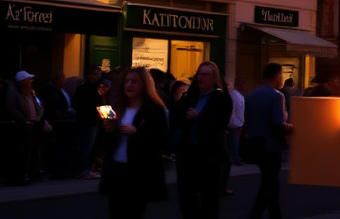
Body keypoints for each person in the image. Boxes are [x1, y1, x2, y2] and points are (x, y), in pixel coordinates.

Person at [98, 67, 169, 219]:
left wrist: (137, 132)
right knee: (116, 212)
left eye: (134, 81)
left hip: (139, 172)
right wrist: (107, 129)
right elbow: (106, 141)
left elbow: (163, 140)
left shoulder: (155, 110)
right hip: (116, 170)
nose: (129, 85)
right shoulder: (116, 107)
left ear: (145, 85)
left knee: (133, 213)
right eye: (127, 81)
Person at [171, 61, 233, 219]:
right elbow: (176, 117)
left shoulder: (222, 98)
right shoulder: (190, 97)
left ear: (214, 77)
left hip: (208, 154)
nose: (201, 77)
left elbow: (221, 123)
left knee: (209, 197)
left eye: (205, 74)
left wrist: (200, 117)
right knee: (186, 194)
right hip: (188, 152)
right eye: (199, 73)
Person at [245, 63, 293, 219]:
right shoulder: (277, 96)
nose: (282, 79)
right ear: (276, 76)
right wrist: (291, 128)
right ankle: (254, 214)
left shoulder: (253, 94)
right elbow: (278, 123)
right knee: (269, 185)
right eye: (281, 75)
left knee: (271, 184)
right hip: (272, 146)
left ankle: (276, 215)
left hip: (256, 144)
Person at [6, 70, 51, 184]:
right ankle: (19, 175)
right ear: (22, 81)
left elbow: (39, 105)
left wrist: (39, 117)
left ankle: (31, 172)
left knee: (34, 150)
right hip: (22, 127)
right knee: (22, 151)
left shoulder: (31, 93)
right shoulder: (14, 93)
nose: (31, 81)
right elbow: (12, 109)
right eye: (28, 79)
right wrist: (23, 120)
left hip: (34, 125)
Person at [72, 65, 105, 179]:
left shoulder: (89, 88)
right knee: (86, 146)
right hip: (89, 121)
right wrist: (109, 117)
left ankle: (87, 168)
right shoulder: (89, 88)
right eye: (97, 74)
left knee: (88, 146)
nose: (99, 77)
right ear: (90, 76)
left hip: (90, 120)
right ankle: (83, 169)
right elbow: (99, 104)